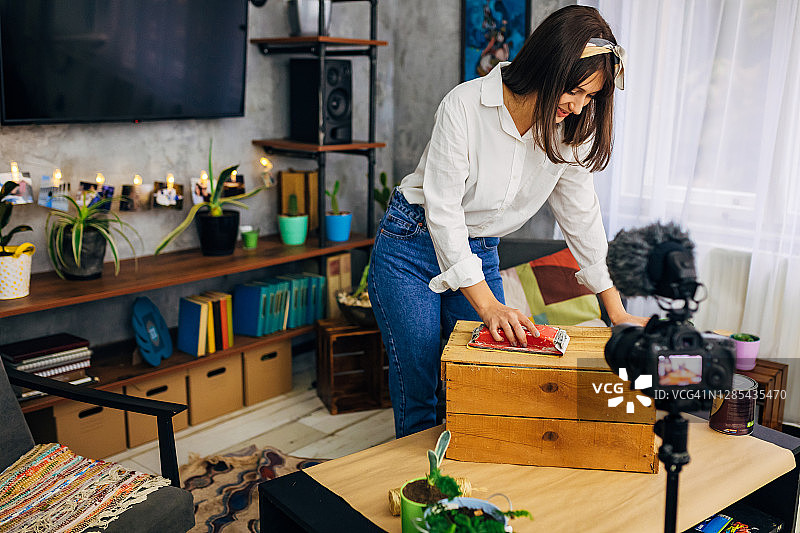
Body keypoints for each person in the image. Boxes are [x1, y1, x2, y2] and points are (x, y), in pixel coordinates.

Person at [367, 5, 649, 439]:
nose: (578, 106)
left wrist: (616, 309)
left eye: (590, 97)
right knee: (420, 381)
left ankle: (468, 468)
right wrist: (489, 306)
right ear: (548, 65)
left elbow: (582, 218)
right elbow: (443, 212)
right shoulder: (464, 105)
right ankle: (424, 479)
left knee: (485, 378)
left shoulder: (569, 131)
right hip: (412, 245)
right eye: (574, 90)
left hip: (479, 248)